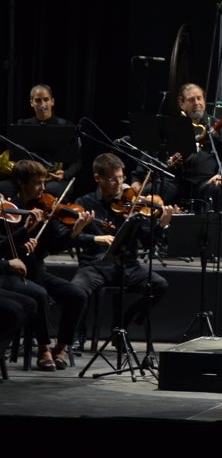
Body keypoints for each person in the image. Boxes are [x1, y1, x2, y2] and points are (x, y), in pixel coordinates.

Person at [70, 152, 174, 345]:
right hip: (95, 266)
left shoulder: (133, 204)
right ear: (97, 178)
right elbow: (72, 238)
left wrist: (160, 225)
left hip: (128, 265)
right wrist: (96, 238)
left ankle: (121, 326)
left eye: (121, 178)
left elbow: (148, 242)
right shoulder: (84, 203)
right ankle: (77, 333)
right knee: (76, 289)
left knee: (159, 285)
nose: (119, 184)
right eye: (113, 180)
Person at [9, 159, 91, 368]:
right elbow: (6, 247)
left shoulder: (46, 208)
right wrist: (25, 231)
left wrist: (75, 231)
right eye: (37, 183)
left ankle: (61, 347)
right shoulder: (11, 209)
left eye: (44, 183)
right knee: (40, 292)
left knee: (77, 295)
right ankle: (44, 348)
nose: (43, 189)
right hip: (13, 272)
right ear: (21, 182)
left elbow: (54, 247)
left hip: (37, 270)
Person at [0, 204, 59, 371]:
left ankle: (44, 348)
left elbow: (4, 246)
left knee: (34, 298)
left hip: (6, 274)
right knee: (27, 301)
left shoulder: (6, 220)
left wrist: (27, 229)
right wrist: (7, 264)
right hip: (3, 274)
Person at [0, 84, 82, 200]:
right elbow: (15, 157)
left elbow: (78, 161)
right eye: (38, 100)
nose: (42, 104)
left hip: (53, 179)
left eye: (46, 100)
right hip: (27, 178)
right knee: (3, 187)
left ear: (52, 102)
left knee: (49, 190)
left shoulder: (65, 126)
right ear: (31, 103)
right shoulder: (23, 125)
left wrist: (65, 174)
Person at [163, 83, 222, 213]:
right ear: (181, 103)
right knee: (153, 189)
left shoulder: (218, 125)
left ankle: (215, 231)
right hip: (177, 180)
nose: (197, 103)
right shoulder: (174, 126)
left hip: (205, 181)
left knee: (217, 188)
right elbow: (157, 153)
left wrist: (221, 175)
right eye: (191, 100)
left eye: (199, 98)